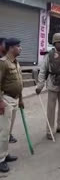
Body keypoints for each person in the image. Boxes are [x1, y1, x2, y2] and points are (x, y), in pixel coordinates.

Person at [36, 33, 60, 140]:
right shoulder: (48, 55)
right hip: (52, 84)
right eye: (59, 42)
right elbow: (43, 71)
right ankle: (49, 130)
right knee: (51, 109)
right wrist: (40, 85)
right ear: (54, 43)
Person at [0, 38, 23, 172]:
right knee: (3, 131)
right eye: (18, 46)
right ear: (11, 48)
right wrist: (0, 102)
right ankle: (0, 159)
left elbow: (19, 82)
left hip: (14, 100)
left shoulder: (15, 62)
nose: (20, 48)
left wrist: (21, 99)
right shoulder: (3, 63)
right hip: (6, 100)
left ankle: (4, 154)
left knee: (8, 132)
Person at [0, 38, 17, 144]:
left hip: (11, 97)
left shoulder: (12, 60)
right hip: (4, 97)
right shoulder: (3, 62)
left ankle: (4, 153)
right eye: (4, 44)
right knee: (3, 127)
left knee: (6, 126)